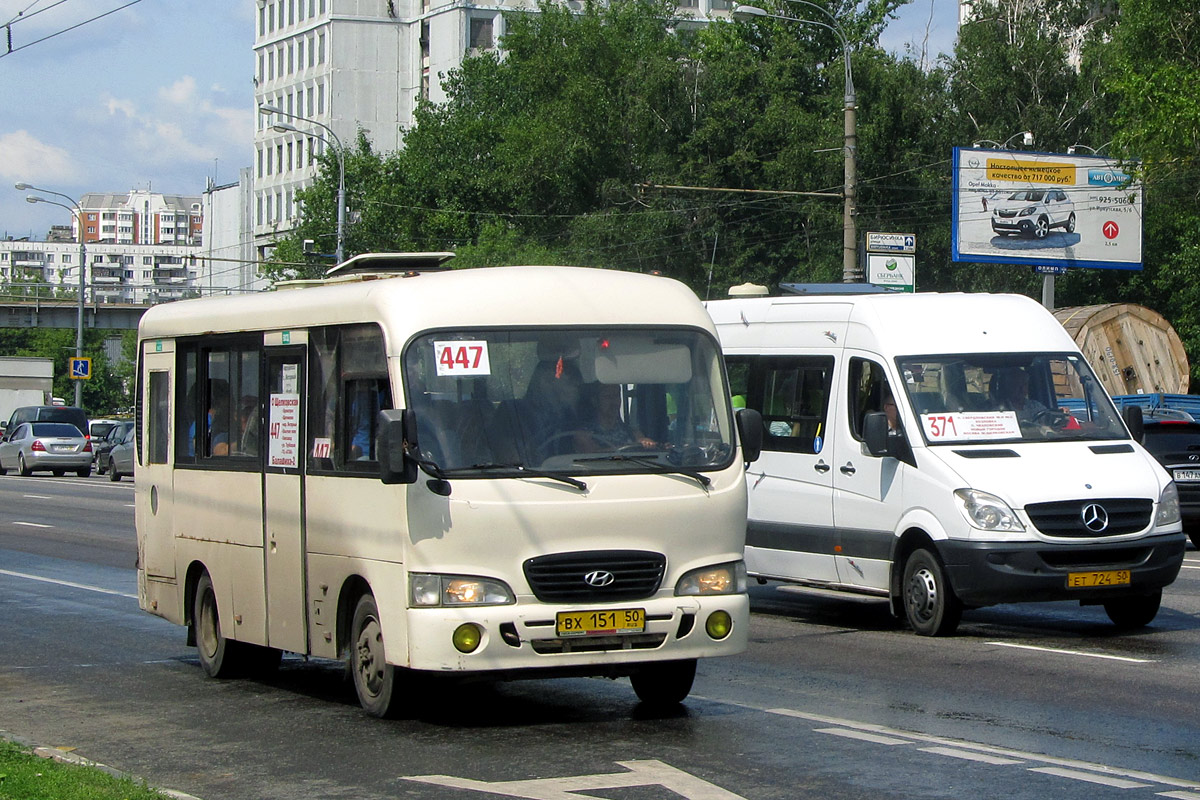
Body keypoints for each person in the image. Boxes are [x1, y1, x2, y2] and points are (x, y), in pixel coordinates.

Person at [578, 382, 655, 450]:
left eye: (617, 396)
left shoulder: (633, 433)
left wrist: (646, 444)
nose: (614, 402)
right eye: (608, 397)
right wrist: (630, 447)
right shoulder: (583, 434)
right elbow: (594, 454)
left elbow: (644, 446)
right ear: (595, 401)